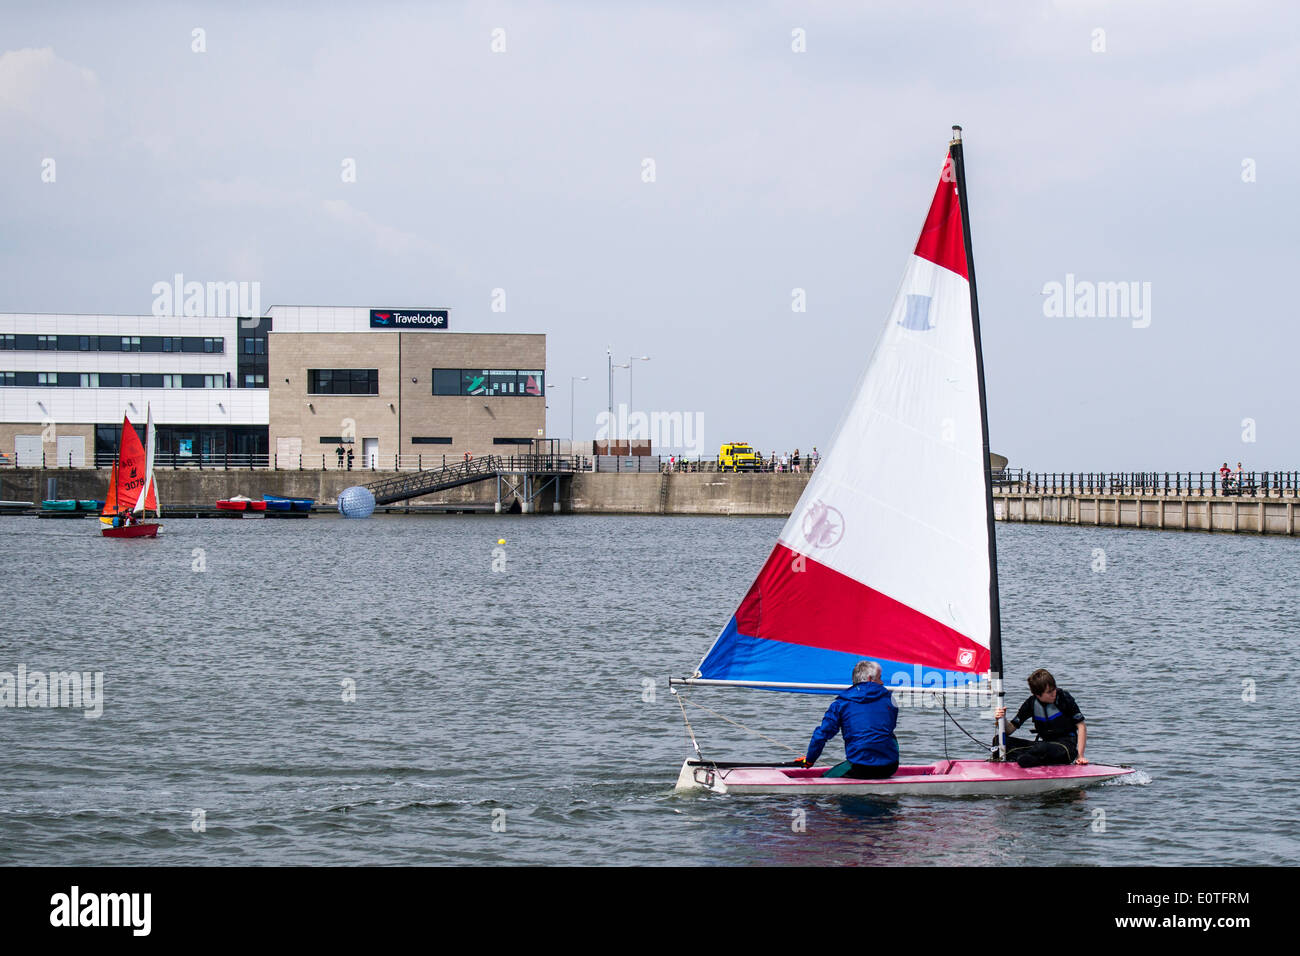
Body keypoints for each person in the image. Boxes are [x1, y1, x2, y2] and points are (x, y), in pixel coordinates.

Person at [800, 660, 899, 779]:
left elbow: (822, 735)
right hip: (890, 767)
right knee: (887, 734)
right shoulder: (890, 700)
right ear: (869, 679)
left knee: (823, 779)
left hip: (860, 767)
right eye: (880, 678)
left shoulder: (841, 704)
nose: (882, 682)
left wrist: (809, 760)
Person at [992, 668, 1088, 767]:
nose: (1054, 693)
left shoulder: (1064, 698)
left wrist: (1080, 756)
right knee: (999, 740)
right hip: (1043, 745)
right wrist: (1002, 718)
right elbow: (1009, 730)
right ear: (1038, 695)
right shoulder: (1031, 703)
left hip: (1065, 747)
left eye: (1054, 689)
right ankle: (1027, 759)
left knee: (1041, 748)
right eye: (1049, 692)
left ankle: (1024, 758)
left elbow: (1081, 726)